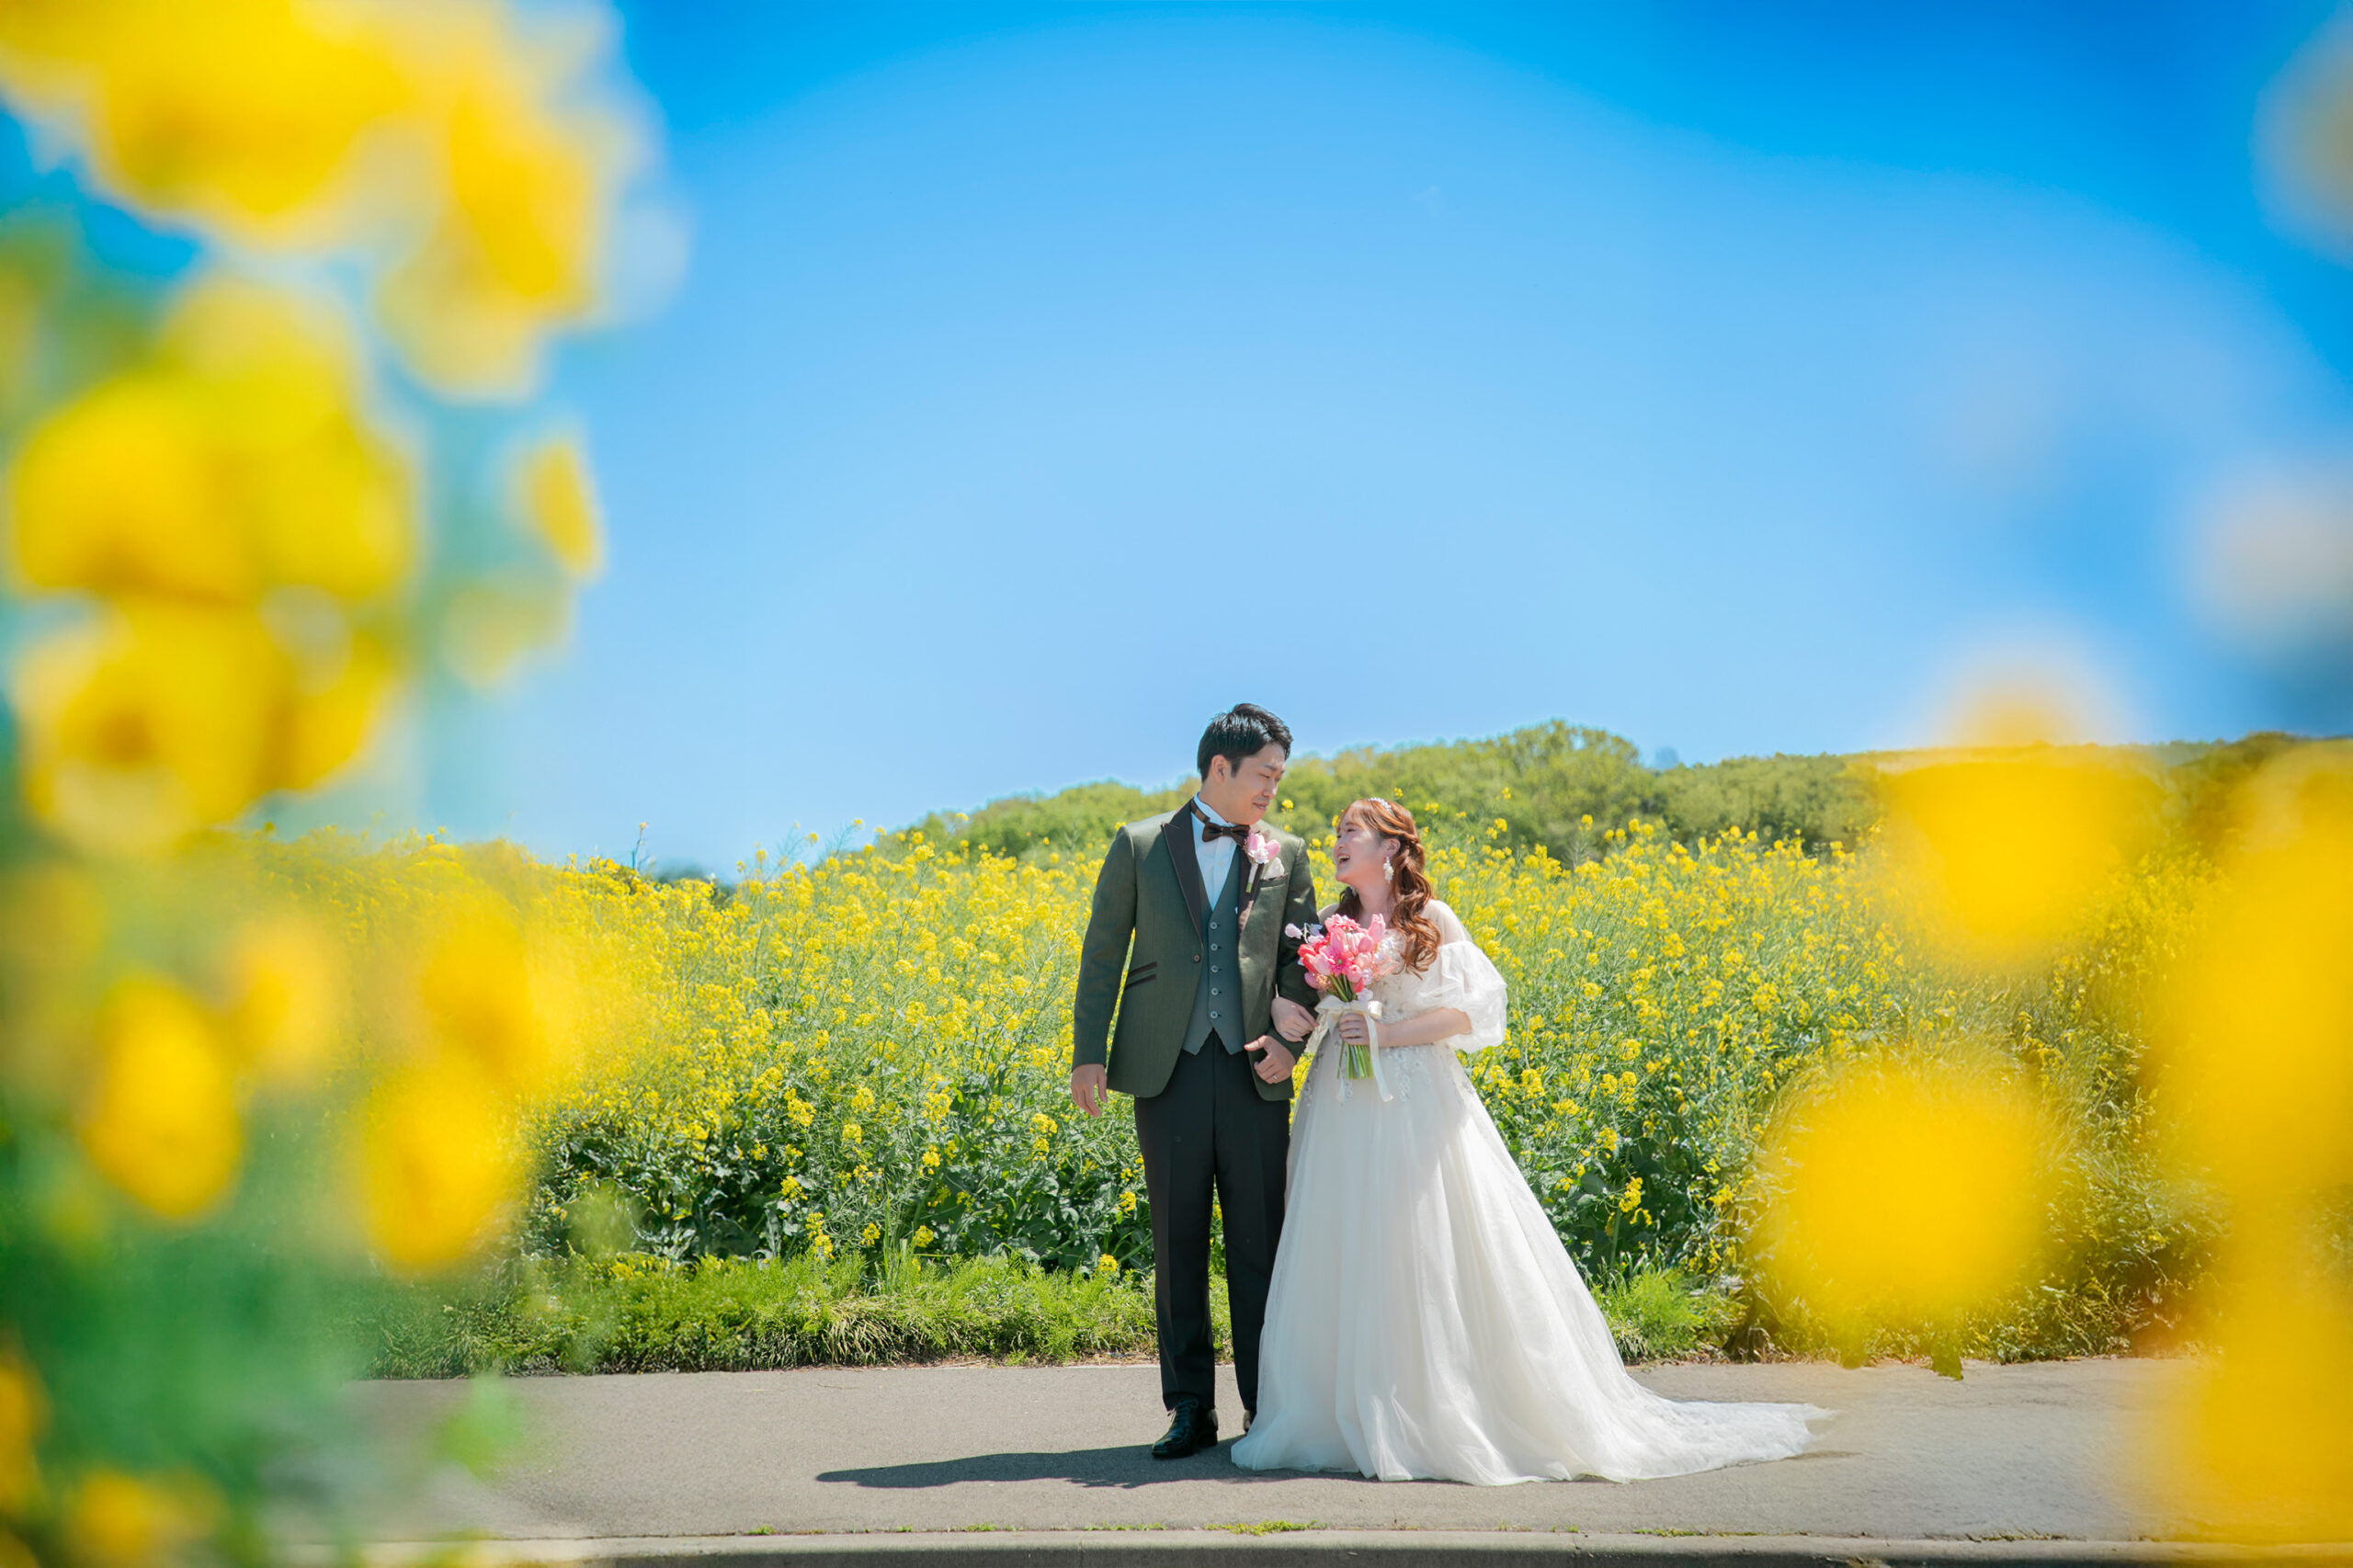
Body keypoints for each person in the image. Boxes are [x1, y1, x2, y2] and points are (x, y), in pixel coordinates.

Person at [1231, 797, 1824, 1484]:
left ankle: (1432, 1408)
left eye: (1351, 832)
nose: (1337, 841)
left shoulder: (1430, 920)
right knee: (1344, 1238)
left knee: (1416, 1239)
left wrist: (1386, 1032)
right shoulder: (1331, 925)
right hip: (1341, 1098)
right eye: (1336, 831)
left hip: (1414, 1096)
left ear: (1391, 848)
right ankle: (1336, 1416)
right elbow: (1313, 1004)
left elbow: (1470, 1011)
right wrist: (1299, 1013)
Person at [1068, 704, 1321, 1459]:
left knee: (1259, 1244)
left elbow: (1306, 962)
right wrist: (1088, 1054)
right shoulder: (1139, 844)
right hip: (1164, 1070)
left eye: (1280, 775)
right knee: (1176, 1243)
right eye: (1265, 773)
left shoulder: (1288, 853)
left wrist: (1286, 1042)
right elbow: (1103, 953)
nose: (1274, 787)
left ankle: (1265, 1407)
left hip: (1254, 1073)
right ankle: (1188, 1410)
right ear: (1221, 768)